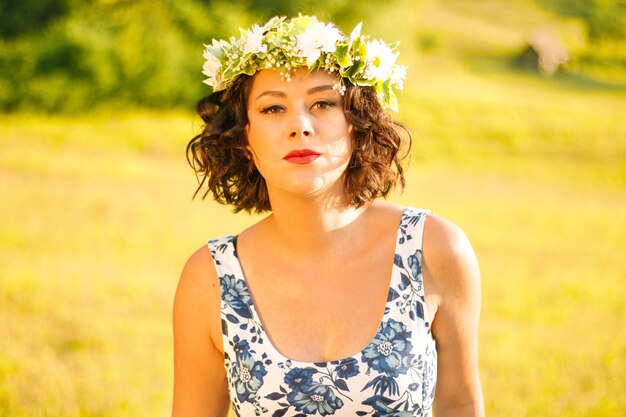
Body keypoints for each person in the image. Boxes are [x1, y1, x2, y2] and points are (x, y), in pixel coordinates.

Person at [172, 15, 484, 417]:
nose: (300, 125)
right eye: (272, 109)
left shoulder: (434, 249)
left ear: (356, 124)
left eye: (322, 103)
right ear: (244, 141)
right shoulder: (210, 278)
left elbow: (459, 404)